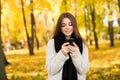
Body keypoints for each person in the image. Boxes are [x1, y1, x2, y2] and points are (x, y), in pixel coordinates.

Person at [45, 12, 90, 80]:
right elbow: (51, 70)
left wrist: (76, 55)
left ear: (74, 26)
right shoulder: (52, 43)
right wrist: (61, 54)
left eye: (70, 24)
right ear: (60, 27)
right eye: (63, 25)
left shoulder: (82, 44)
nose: (67, 27)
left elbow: (83, 70)